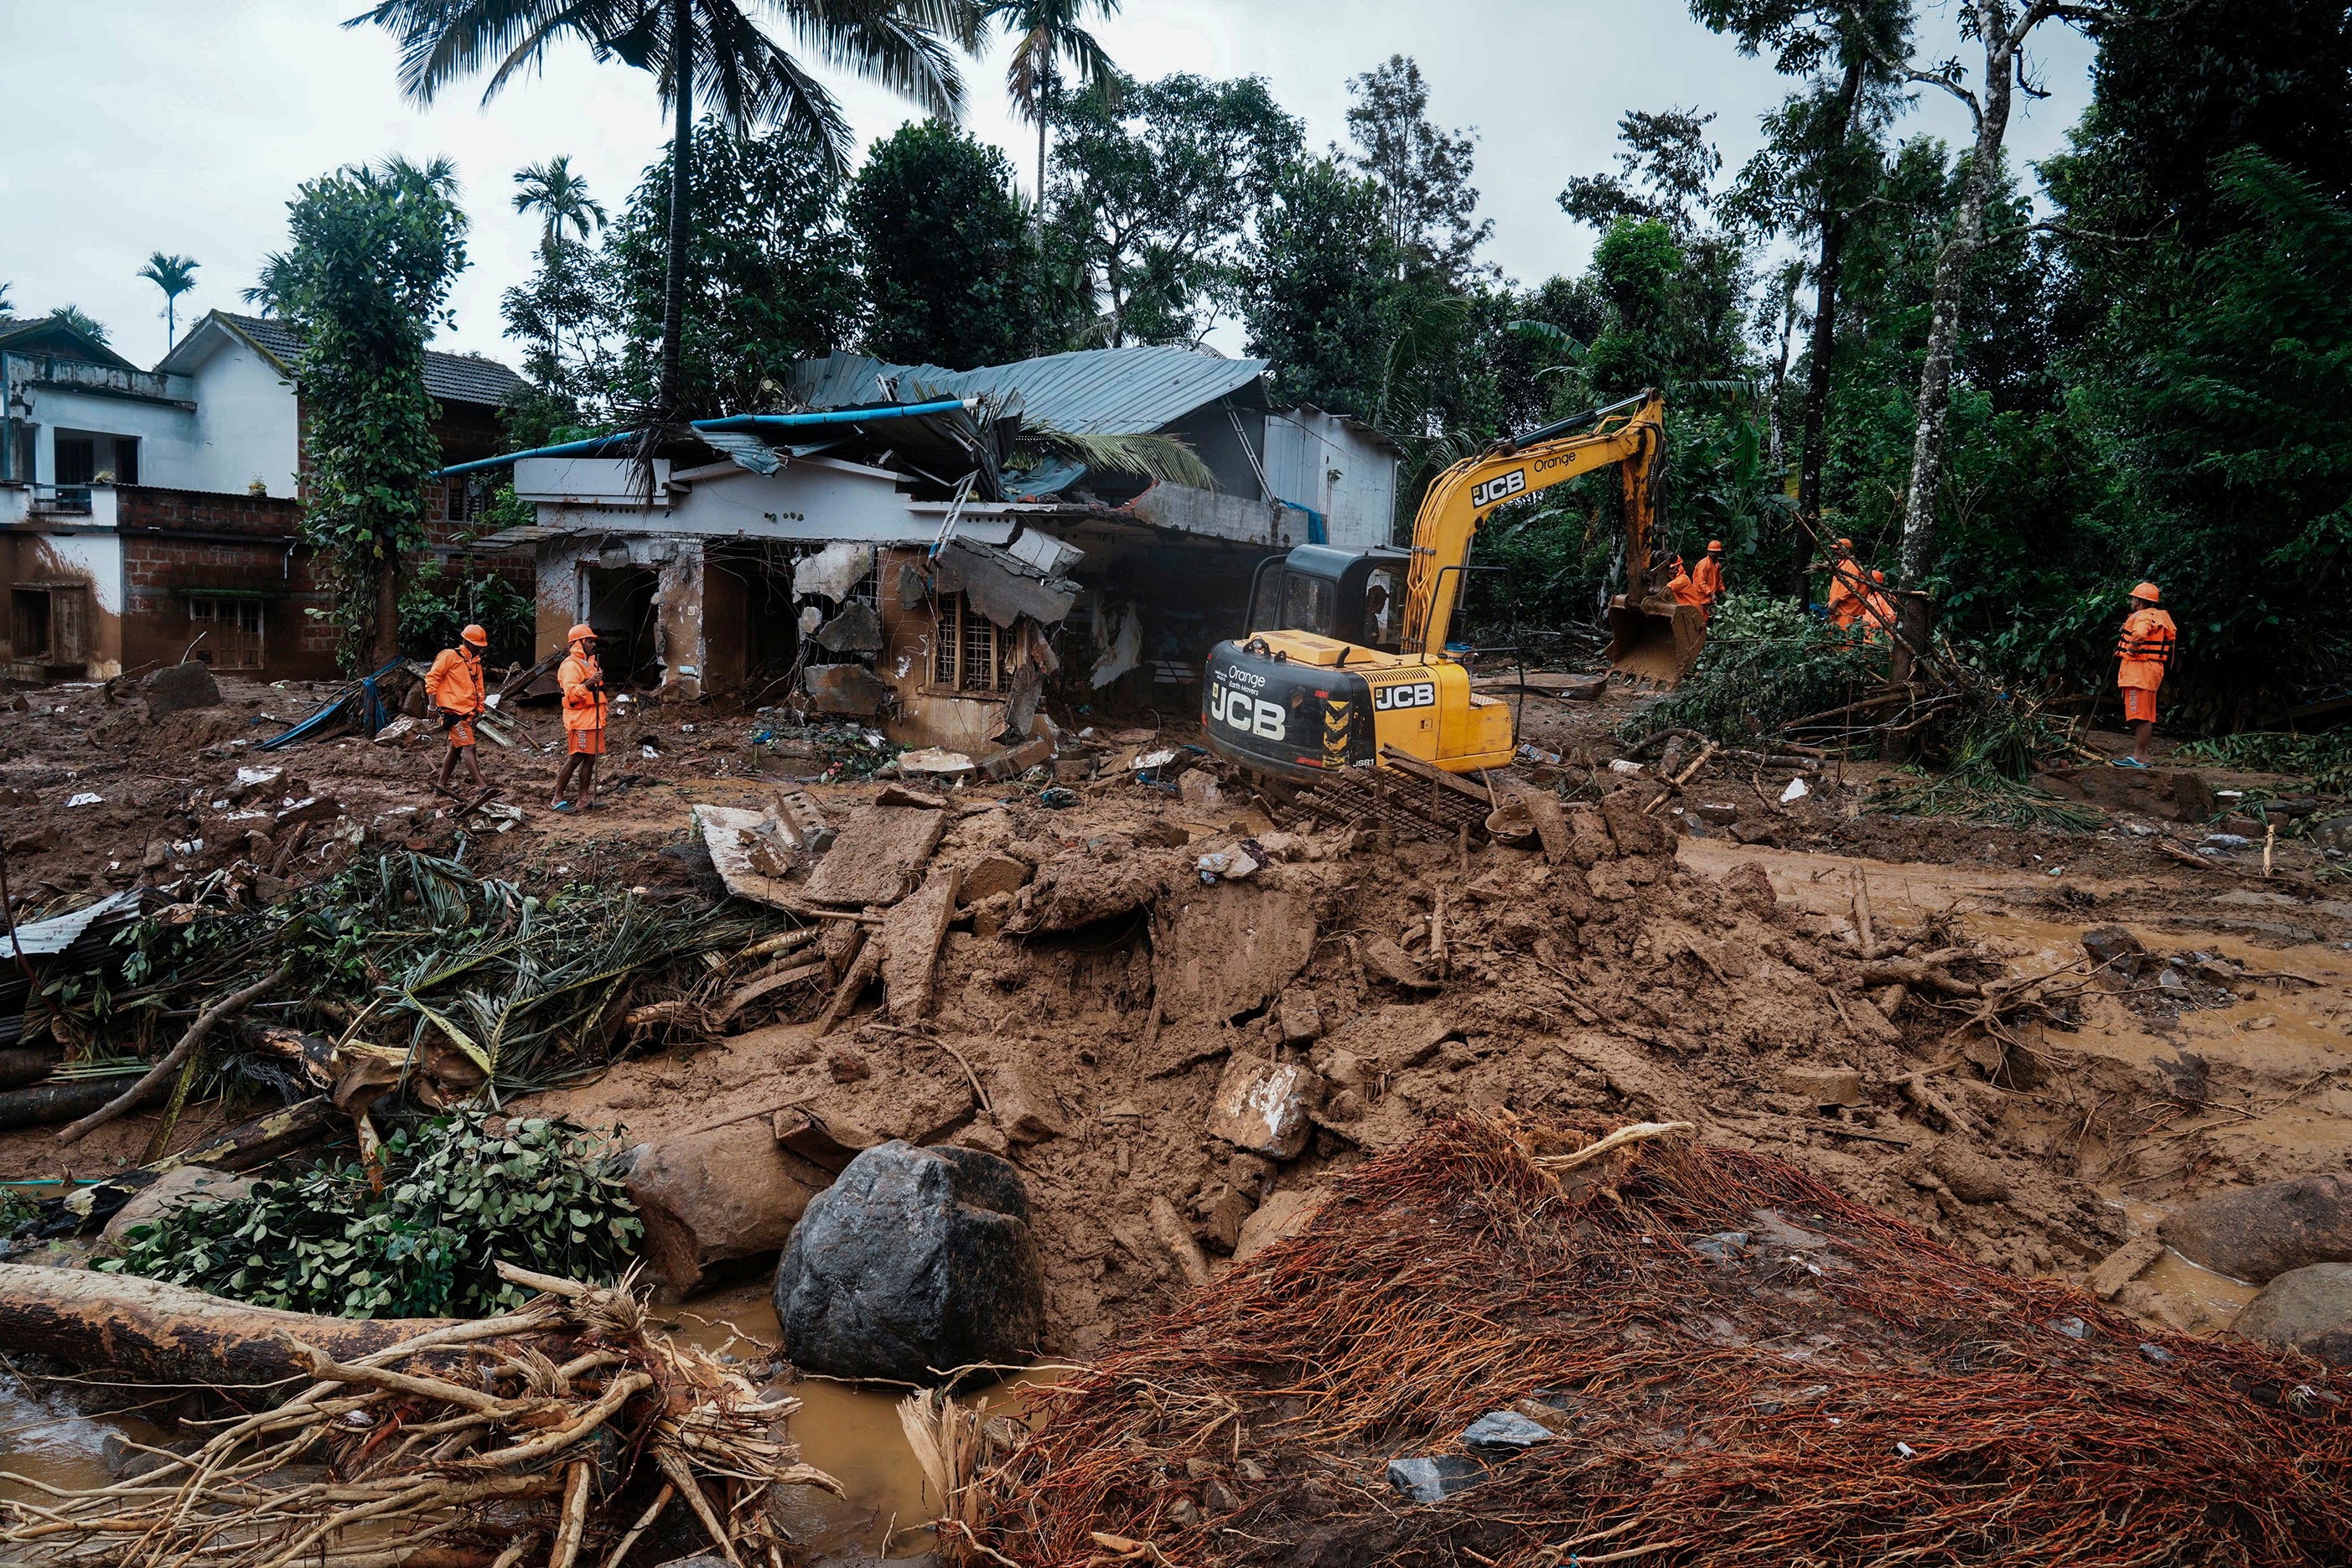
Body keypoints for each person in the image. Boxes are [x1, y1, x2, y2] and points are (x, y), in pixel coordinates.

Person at [2112, 581, 2176, 768]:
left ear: (2139, 601)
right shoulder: (2155, 616)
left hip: (2139, 674)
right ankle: (2141, 757)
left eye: (2133, 599)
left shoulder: (2141, 617)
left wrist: (2131, 649)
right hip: (2150, 672)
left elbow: (2140, 634)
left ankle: (2139, 758)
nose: (2132, 602)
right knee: (2145, 715)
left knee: (2140, 716)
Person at [423, 624, 490, 794]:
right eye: (477, 646)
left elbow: (479, 689)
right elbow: (432, 679)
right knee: (469, 746)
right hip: (451, 712)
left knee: (456, 747)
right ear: (467, 642)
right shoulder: (449, 656)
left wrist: (479, 712)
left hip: (467, 713)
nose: (479, 650)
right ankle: (482, 787)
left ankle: (441, 785)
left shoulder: (476, 663)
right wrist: (432, 705)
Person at [552, 624, 607, 811]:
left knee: (590, 759)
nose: (593, 644)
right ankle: (557, 799)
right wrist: (590, 682)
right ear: (578, 643)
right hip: (580, 719)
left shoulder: (591, 663)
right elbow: (572, 694)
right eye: (589, 641)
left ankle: (583, 799)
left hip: (593, 718)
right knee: (575, 758)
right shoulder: (570, 666)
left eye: (593, 641)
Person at [1824, 537, 1868, 631]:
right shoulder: (1842, 565)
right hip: (1838, 609)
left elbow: (1851, 587)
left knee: (1845, 638)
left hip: (1847, 610)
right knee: (1835, 636)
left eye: (1838, 549)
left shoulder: (1852, 565)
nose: (1836, 552)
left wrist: (1836, 600)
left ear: (1846, 549)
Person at [1858, 569, 1899, 645]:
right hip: (1868, 639)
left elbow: (1892, 619)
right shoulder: (1869, 597)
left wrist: (1871, 624)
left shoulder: (1887, 597)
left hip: (1883, 639)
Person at [1692, 539, 1728, 614]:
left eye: (1716, 552)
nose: (1714, 554)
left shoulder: (1717, 564)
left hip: (1710, 597)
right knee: (1703, 619)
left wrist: (1724, 591)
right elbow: (1702, 582)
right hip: (1701, 597)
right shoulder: (1704, 564)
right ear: (1708, 552)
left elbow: (1719, 580)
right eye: (1712, 552)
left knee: (1711, 617)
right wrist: (1711, 593)